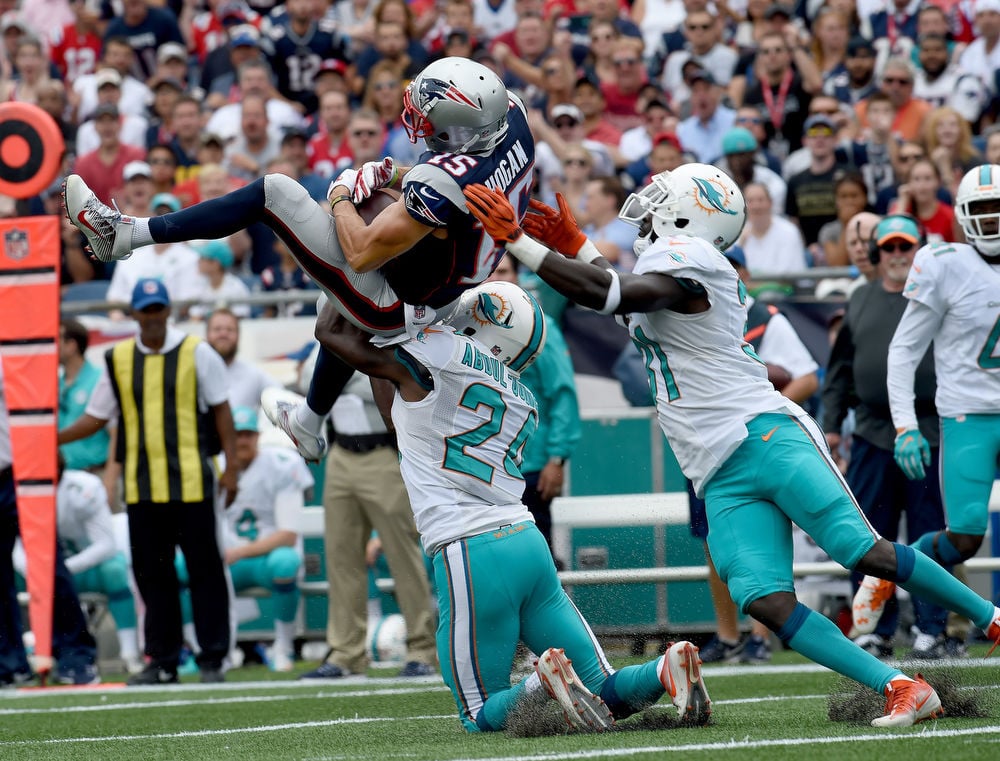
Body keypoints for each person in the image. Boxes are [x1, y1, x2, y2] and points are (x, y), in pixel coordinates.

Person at [461, 164, 1000, 728]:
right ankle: (901, 686)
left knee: (863, 551)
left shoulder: (690, 263)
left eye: (665, 195)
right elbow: (625, 296)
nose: (651, 201)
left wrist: (518, 242)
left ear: (691, 213)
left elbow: (612, 293)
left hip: (764, 435)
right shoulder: (670, 266)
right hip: (717, 468)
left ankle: (990, 619)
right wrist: (575, 244)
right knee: (764, 599)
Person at [64, 56, 535, 463]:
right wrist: (393, 170)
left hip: (402, 301)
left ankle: (124, 233)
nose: (418, 125)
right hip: (448, 273)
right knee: (330, 308)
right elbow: (454, 170)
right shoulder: (510, 118)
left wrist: (341, 192)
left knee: (276, 193)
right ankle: (308, 424)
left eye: (429, 123)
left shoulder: (454, 173)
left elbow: (362, 251)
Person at [315, 281, 711, 733]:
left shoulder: (436, 358)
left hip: (471, 549)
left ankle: (540, 681)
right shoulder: (520, 394)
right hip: (526, 542)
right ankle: (665, 667)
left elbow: (333, 336)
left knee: (476, 713)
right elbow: (400, 414)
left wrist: (351, 275)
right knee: (602, 686)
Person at [57, 279, 238, 685]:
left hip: (192, 481)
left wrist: (231, 468)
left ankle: (212, 658)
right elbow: (97, 417)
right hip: (141, 486)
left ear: (167, 311)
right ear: (135, 314)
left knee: (204, 571)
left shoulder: (197, 352)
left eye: (158, 309)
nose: (153, 317)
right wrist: (52, 436)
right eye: (146, 310)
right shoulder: (118, 358)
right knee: (152, 576)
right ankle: (163, 659)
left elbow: (222, 410)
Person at [855, 165, 1000, 641]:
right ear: (962, 216)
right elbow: (904, 349)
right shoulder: (944, 263)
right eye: (982, 209)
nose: (992, 219)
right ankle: (888, 569)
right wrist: (905, 427)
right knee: (964, 536)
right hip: (967, 415)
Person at [822, 214, 955, 660]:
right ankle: (872, 628)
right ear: (877, 255)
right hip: (873, 435)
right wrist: (833, 427)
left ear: (920, 249)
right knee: (867, 534)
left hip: (930, 433)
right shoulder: (859, 300)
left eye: (906, 246)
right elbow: (839, 371)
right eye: (890, 248)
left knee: (929, 531)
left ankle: (931, 629)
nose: (898, 256)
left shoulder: (939, 297)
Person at [297, 365, 437, 680]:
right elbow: (307, 380)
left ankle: (422, 649)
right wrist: (348, 379)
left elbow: (389, 381)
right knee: (341, 557)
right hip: (340, 455)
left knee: (402, 556)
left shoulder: (380, 335)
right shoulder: (331, 340)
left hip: (383, 456)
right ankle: (346, 654)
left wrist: (335, 381)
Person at [188, 406, 312, 672]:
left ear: (258, 436)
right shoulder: (215, 465)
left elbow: (288, 535)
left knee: (285, 563)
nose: (242, 441)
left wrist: (241, 552)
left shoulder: (281, 464)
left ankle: (284, 646)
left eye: (248, 434)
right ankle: (198, 649)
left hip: (264, 558)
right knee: (182, 565)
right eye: (236, 434)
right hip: (227, 558)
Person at [486, 254, 580, 565]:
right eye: (489, 271)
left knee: (537, 562)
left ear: (517, 277)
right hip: (482, 468)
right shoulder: (462, 326)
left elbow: (562, 394)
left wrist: (558, 458)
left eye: (503, 270)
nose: (496, 278)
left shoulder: (541, 326)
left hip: (531, 467)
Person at [13, 458, 142, 674]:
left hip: (84, 567)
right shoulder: (19, 491)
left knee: (115, 571)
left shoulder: (83, 487)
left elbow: (106, 545)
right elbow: (16, 545)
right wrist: (39, 572)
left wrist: (62, 570)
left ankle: (129, 654)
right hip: (39, 571)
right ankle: (23, 656)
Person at [58, 318, 109, 475]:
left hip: (96, 473)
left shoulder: (100, 379)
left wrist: (110, 479)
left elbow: (116, 433)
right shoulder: (55, 385)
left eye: (56, 340)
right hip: (64, 477)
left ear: (71, 345)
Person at [204, 308, 282, 411]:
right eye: (217, 329)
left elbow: (282, 399)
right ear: (207, 335)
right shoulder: (195, 374)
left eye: (230, 329)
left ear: (238, 336)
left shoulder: (254, 375)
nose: (223, 334)